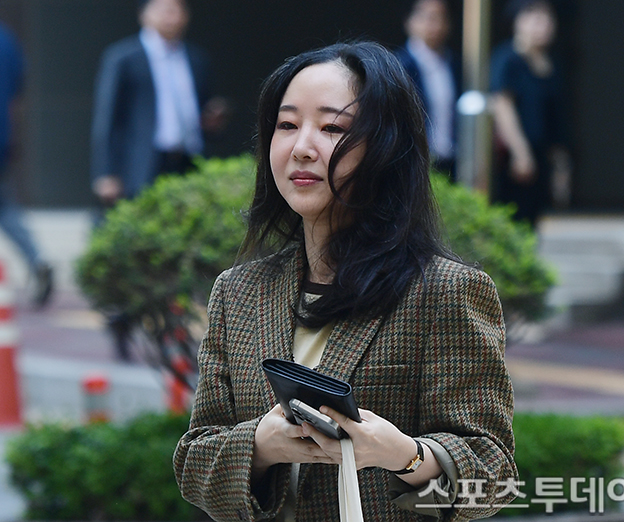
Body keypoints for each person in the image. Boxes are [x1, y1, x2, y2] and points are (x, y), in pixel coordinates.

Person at [173, 42, 516, 522]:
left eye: (332, 128)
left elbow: (492, 478)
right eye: (287, 125)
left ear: (386, 148)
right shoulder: (239, 291)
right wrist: (260, 445)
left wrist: (405, 455)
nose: (302, 147)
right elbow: (195, 462)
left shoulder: (445, 291)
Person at [90, 0, 228, 359]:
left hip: (184, 163)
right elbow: (108, 118)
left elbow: (202, 112)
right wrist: (107, 173)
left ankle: (173, 326)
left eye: (178, 9)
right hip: (140, 168)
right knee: (139, 250)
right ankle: (123, 322)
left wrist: (211, 120)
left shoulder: (195, 58)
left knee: (182, 249)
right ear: (144, 14)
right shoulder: (124, 57)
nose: (172, 16)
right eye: (164, 8)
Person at [490, 0, 571, 226]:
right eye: (535, 18)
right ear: (517, 22)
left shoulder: (552, 64)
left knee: (533, 219)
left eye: (547, 19)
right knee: (513, 217)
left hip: (542, 156)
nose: (543, 25)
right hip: (513, 159)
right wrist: (520, 152)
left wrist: (561, 167)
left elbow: (556, 121)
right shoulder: (507, 59)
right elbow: (502, 106)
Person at [0, 20, 53, 308]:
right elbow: (17, 96)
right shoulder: (7, 40)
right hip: (2, 137)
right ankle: (37, 259)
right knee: (6, 208)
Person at [396, 0, 461, 179]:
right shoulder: (398, 66)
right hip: (413, 164)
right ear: (410, 21)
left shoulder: (455, 64)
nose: (436, 25)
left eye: (442, 18)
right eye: (429, 17)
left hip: (451, 161)